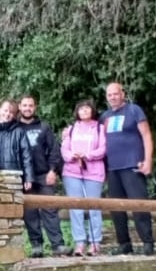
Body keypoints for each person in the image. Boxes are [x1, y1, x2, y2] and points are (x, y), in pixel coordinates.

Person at [101, 82, 156, 255]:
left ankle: (147, 242)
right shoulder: (105, 117)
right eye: (109, 95)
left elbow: (146, 135)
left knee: (139, 204)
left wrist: (148, 160)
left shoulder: (134, 110)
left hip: (133, 165)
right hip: (112, 168)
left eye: (115, 94)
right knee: (116, 208)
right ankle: (124, 244)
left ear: (122, 94)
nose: (112, 97)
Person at [17, 96, 67, 257]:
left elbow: (54, 150)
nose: (27, 108)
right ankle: (36, 246)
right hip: (24, 177)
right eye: (25, 105)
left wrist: (53, 170)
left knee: (50, 209)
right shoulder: (15, 128)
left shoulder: (44, 126)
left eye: (30, 105)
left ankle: (58, 245)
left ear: (35, 107)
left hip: (44, 174)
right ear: (19, 107)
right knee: (30, 212)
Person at [61, 100, 107, 256]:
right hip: (72, 171)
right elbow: (64, 149)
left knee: (94, 207)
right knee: (76, 208)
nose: (84, 111)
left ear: (92, 111)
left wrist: (87, 155)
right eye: (81, 108)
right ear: (77, 112)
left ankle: (95, 243)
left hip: (94, 171)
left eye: (87, 108)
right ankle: (79, 243)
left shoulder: (99, 128)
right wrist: (72, 155)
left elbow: (103, 149)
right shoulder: (72, 129)